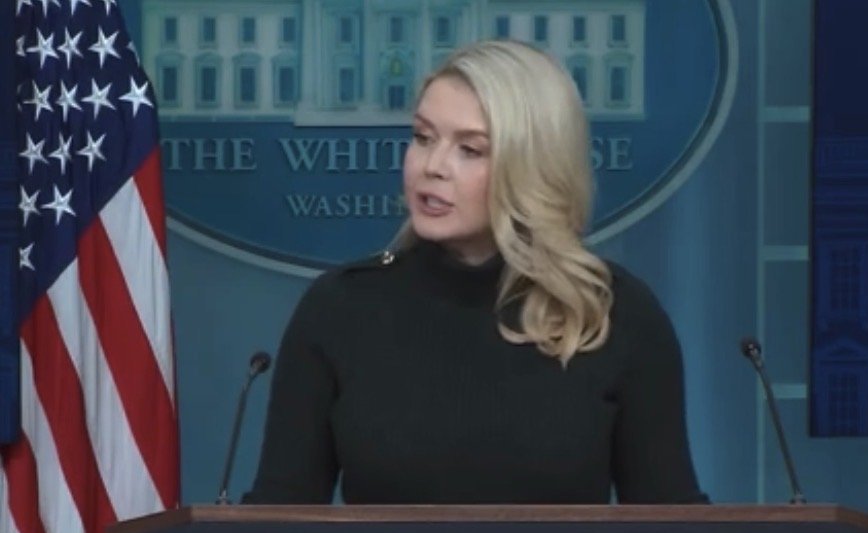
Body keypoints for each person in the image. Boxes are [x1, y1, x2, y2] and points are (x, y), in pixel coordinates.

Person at [243, 40, 709, 505]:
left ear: (533, 166)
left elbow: (675, 531)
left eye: (470, 149)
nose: (432, 167)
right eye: (423, 137)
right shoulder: (340, 309)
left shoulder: (612, 314)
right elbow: (275, 522)